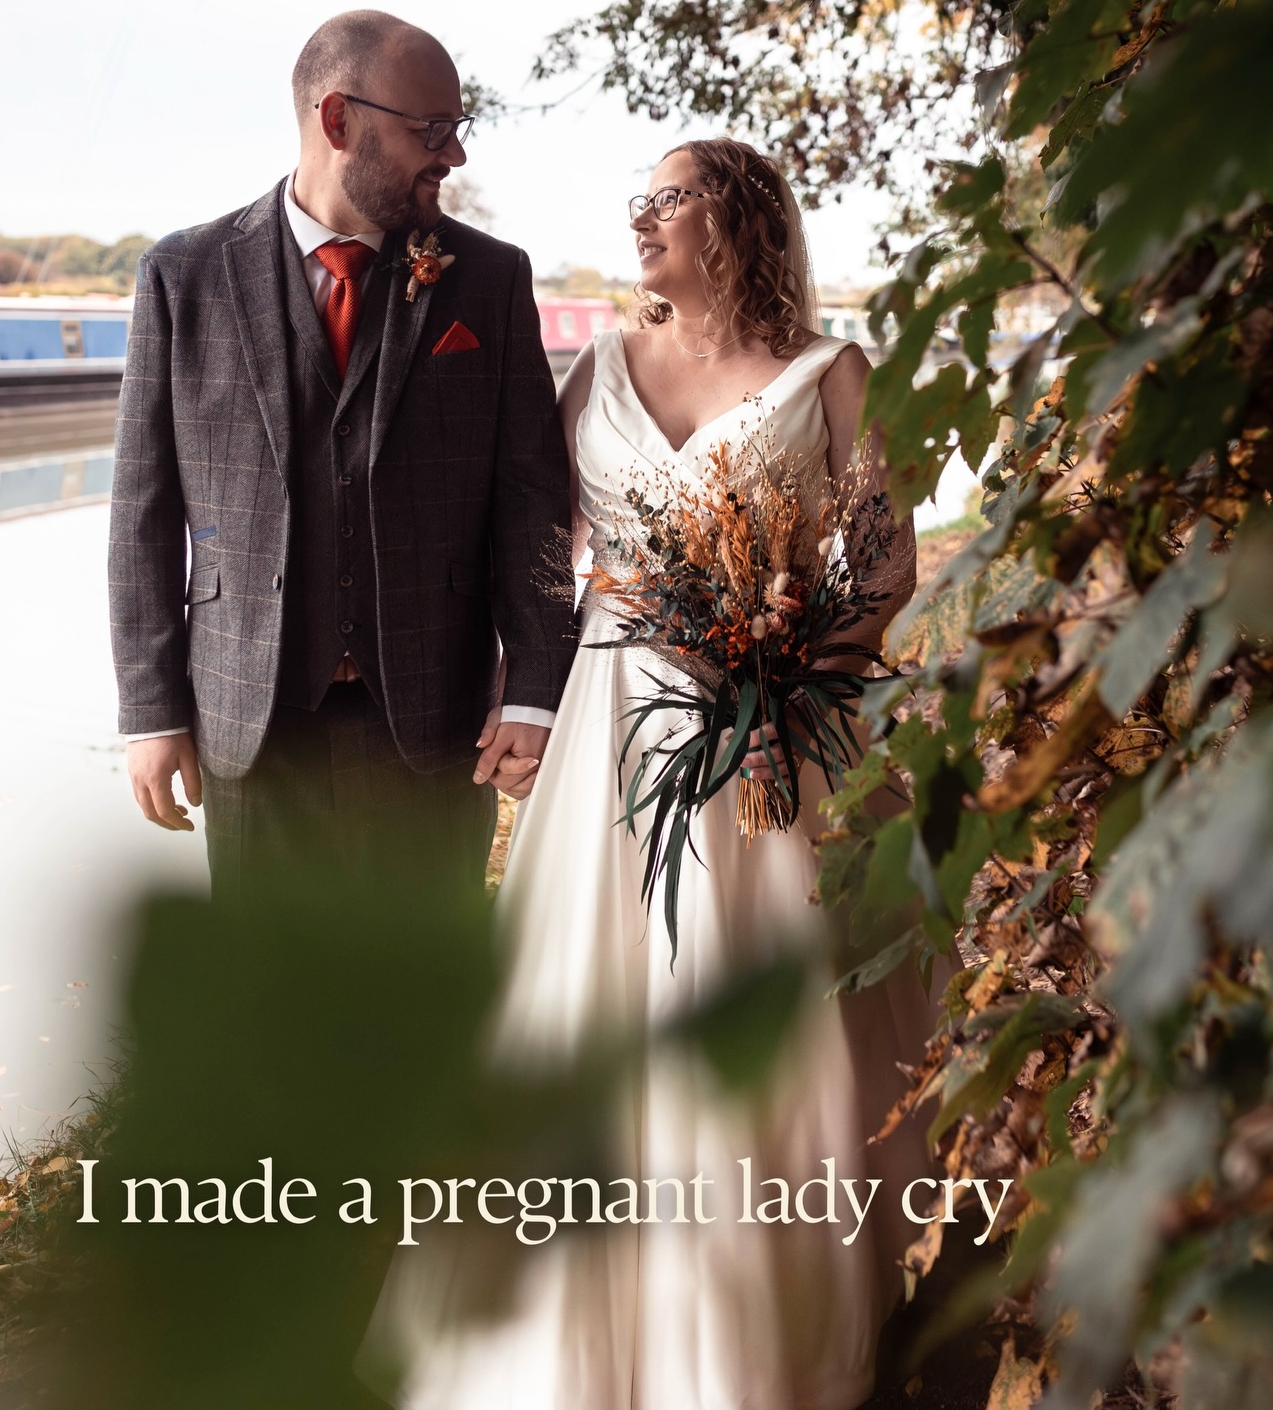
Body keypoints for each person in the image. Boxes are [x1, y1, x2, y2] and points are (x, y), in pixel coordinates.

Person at [361, 138, 933, 1409]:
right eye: (639, 200)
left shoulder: (828, 376)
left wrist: (781, 670)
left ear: (736, 219)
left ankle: (760, 1333)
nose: (641, 219)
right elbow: (537, 539)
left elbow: (882, 566)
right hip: (615, 715)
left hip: (776, 729)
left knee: (762, 1004)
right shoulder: (597, 368)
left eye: (666, 197)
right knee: (591, 999)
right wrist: (516, 687)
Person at [108, 9, 576, 901]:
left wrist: (535, 690)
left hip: (436, 722)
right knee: (272, 1010)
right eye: (430, 130)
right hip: (250, 715)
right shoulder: (185, 275)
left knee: (432, 1002)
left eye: (457, 129)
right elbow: (142, 512)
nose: (454, 155)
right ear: (337, 121)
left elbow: (532, 501)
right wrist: (151, 707)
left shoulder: (490, 277)